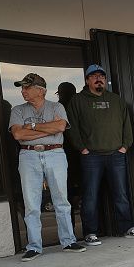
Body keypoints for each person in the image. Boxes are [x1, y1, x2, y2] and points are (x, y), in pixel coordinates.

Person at [8, 73, 86, 261]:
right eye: (22, 88)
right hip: (28, 154)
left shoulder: (56, 106)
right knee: (31, 203)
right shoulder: (18, 110)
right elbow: (18, 135)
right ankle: (34, 246)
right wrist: (45, 129)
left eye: (27, 87)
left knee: (61, 200)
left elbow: (60, 127)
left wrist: (32, 127)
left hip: (55, 153)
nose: (23, 91)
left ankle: (68, 241)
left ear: (40, 90)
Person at [67, 64, 134, 245]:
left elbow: (127, 125)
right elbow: (71, 127)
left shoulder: (116, 100)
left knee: (121, 194)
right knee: (90, 195)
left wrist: (125, 146)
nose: (98, 78)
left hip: (116, 155)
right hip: (91, 156)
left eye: (101, 75)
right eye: (93, 76)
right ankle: (90, 233)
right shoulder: (77, 101)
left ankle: (128, 228)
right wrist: (82, 148)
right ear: (87, 80)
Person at [57, 82, 81, 230]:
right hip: (72, 155)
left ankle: (70, 231)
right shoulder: (58, 109)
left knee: (67, 197)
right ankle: (86, 231)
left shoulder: (61, 108)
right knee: (70, 196)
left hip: (71, 155)